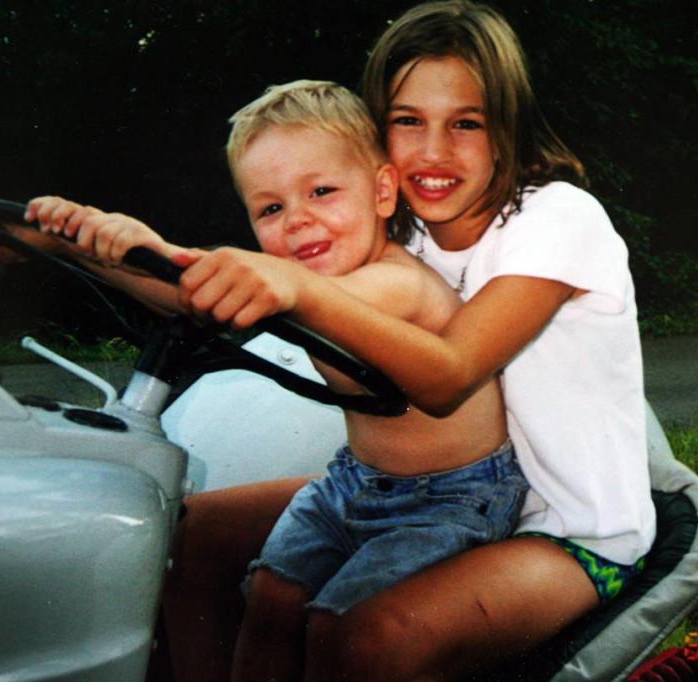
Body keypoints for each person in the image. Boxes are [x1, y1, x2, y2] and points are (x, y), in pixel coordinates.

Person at [159, 1, 656, 680]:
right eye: (408, 121)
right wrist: (117, 247)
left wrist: (293, 289)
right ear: (378, 143)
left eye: (466, 124)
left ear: (506, 127)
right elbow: (240, 299)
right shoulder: (407, 233)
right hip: (424, 489)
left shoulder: (559, 219)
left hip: (568, 530)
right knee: (193, 532)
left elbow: (448, 375)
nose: (433, 152)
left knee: (367, 640)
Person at [20, 80, 528, 680]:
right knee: (269, 600)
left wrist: (149, 248)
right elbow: (197, 298)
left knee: (334, 628)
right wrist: (84, 244)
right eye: (271, 208)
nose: (299, 220)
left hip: (451, 500)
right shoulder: (316, 281)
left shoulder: (393, 284)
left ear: (383, 190)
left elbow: (234, 295)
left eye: (321, 191)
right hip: (355, 480)